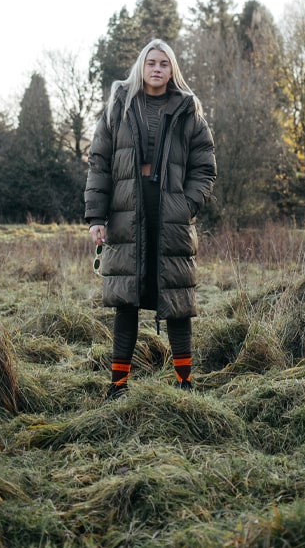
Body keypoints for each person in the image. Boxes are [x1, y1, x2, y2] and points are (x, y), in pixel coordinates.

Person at [84, 39, 216, 399]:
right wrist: (96, 216)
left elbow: (205, 167)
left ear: (172, 70)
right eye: (151, 63)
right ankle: (117, 386)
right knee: (125, 301)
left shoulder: (189, 110)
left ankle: (185, 384)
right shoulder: (119, 106)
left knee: (177, 302)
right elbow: (99, 163)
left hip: (171, 216)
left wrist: (186, 205)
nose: (157, 69)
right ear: (141, 66)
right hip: (126, 214)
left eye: (164, 64)